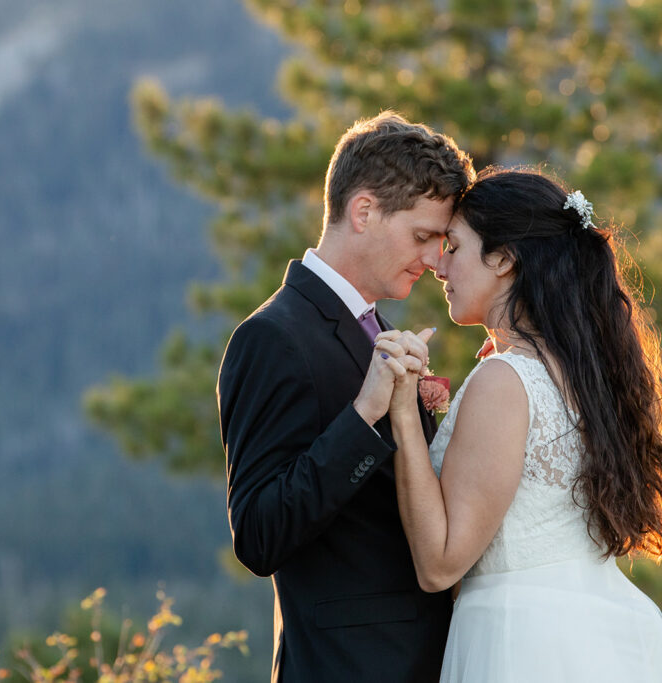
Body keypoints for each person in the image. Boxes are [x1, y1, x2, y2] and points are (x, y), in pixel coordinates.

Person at [372, 168, 662, 681]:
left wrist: (405, 413)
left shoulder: (505, 380)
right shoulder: (584, 372)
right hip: (601, 630)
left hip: (520, 638)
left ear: (503, 258)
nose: (438, 264)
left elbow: (440, 566)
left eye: (453, 246)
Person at [216, 111, 475, 682]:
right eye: (423, 236)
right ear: (363, 212)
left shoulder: (374, 331)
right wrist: (365, 415)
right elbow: (259, 535)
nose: (436, 260)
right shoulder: (273, 337)